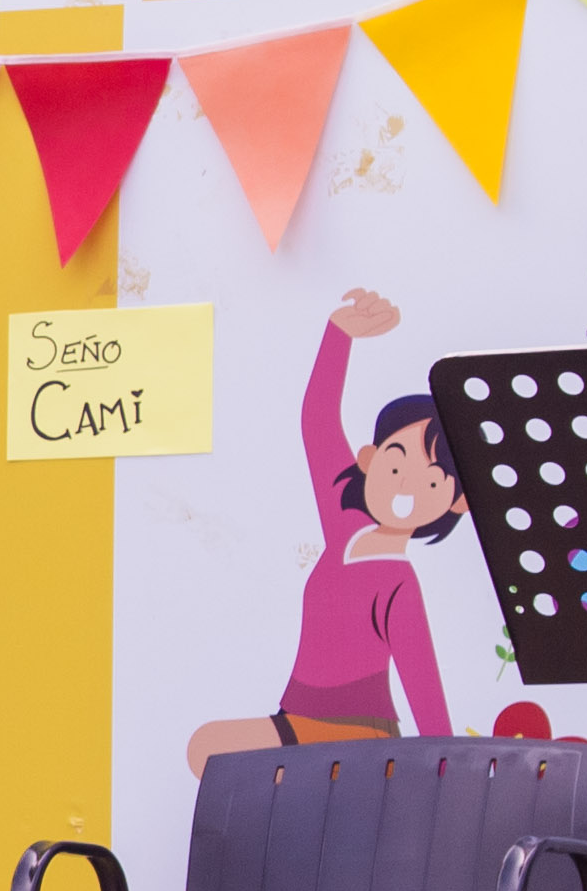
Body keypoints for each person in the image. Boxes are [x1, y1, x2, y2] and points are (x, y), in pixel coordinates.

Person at [185, 288, 457, 775]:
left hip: (357, 733)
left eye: (431, 482)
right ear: (369, 461)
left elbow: (424, 689)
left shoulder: (399, 583)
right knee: (207, 750)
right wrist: (339, 335)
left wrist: (447, 767)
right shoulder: (345, 526)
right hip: (298, 719)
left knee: (221, 757)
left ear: (454, 502)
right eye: (396, 466)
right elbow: (318, 422)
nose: (407, 487)